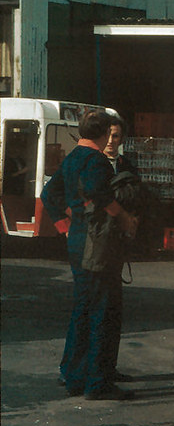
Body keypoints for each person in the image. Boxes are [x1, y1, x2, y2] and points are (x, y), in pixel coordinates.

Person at [41, 110, 138, 401]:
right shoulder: (96, 161)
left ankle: (73, 375)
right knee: (101, 311)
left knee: (84, 308)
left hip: (78, 240)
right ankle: (97, 383)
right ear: (101, 133)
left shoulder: (72, 157)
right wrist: (123, 217)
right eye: (109, 133)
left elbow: (49, 193)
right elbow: (99, 192)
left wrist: (65, 225)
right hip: (95, 243)